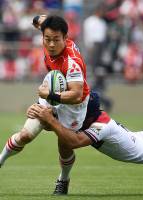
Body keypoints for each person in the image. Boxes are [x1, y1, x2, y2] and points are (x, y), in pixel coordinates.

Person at [0, 15, 91, 195]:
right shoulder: (48, 33)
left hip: (73, 105)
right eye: (47, 39)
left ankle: (63, 180)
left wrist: (48, 95)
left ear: (65, 38)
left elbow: (76, 94)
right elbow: (38, 20)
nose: (50, 44)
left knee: (65, 146)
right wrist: (40, 20)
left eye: (56, 40)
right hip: (51, 89)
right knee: (26, 135)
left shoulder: (71, 62)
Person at [32, 102, 143, 183]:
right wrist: (41, 113)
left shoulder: (100, 127)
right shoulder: (89, 121)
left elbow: (72, 142)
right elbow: (60, 126)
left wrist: (50, 120)